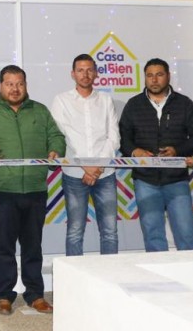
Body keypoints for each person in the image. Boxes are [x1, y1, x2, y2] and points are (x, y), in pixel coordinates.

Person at [0, 65, 65, 316]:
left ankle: (35, 295)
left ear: (26, 85)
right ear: (0, 86)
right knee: (4, 246)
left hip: (35, 190)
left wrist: (55, 151)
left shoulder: (40, 111)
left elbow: (56, 137)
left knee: (33, 246)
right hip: (0, 191)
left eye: (20, 84)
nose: (15, 89)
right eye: (9, 84)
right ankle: (4, 296)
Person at [119, 58, 193, 252]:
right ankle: (157, 272)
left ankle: (190, 270)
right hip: (145, 180)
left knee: (186, 234)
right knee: (153, 235)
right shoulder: (134, 105)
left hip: (177, 180)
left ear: (168, 76)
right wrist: (136, 151)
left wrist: (178, 150)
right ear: (145, 78)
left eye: (159, 75)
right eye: (149, 75)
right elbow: (124, 139)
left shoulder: (184, 104)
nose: (154, 80)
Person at [50, 54, 119, 256]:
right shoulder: (61, 101)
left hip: (105, 174)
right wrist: (85, 166)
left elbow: (113, 137)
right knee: (75, 231)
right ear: (73, 74)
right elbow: (62, 137)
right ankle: (74, 275)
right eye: (80, 70)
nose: (85, 74)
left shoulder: (105, 100)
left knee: (110, 231)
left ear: (96, 73)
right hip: (74, 174)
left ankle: (109, 274)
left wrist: (98, 167)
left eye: (89, 70)